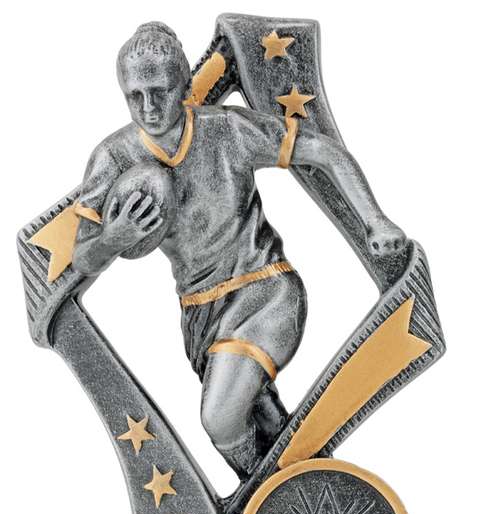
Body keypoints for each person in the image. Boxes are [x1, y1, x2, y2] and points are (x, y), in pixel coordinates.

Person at [73, 21, 406, 477]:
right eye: (136, 96)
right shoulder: (113, 157)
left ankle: (260, 491)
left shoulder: (227, 129)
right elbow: (81, 257)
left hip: (264, 292)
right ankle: (288, 494)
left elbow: (324, 152)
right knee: (265, 424)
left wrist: (376, 220)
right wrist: (113, 239)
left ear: (184, 87)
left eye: (160, 92)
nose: (149, 107)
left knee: (221, 418)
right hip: (200, 313)